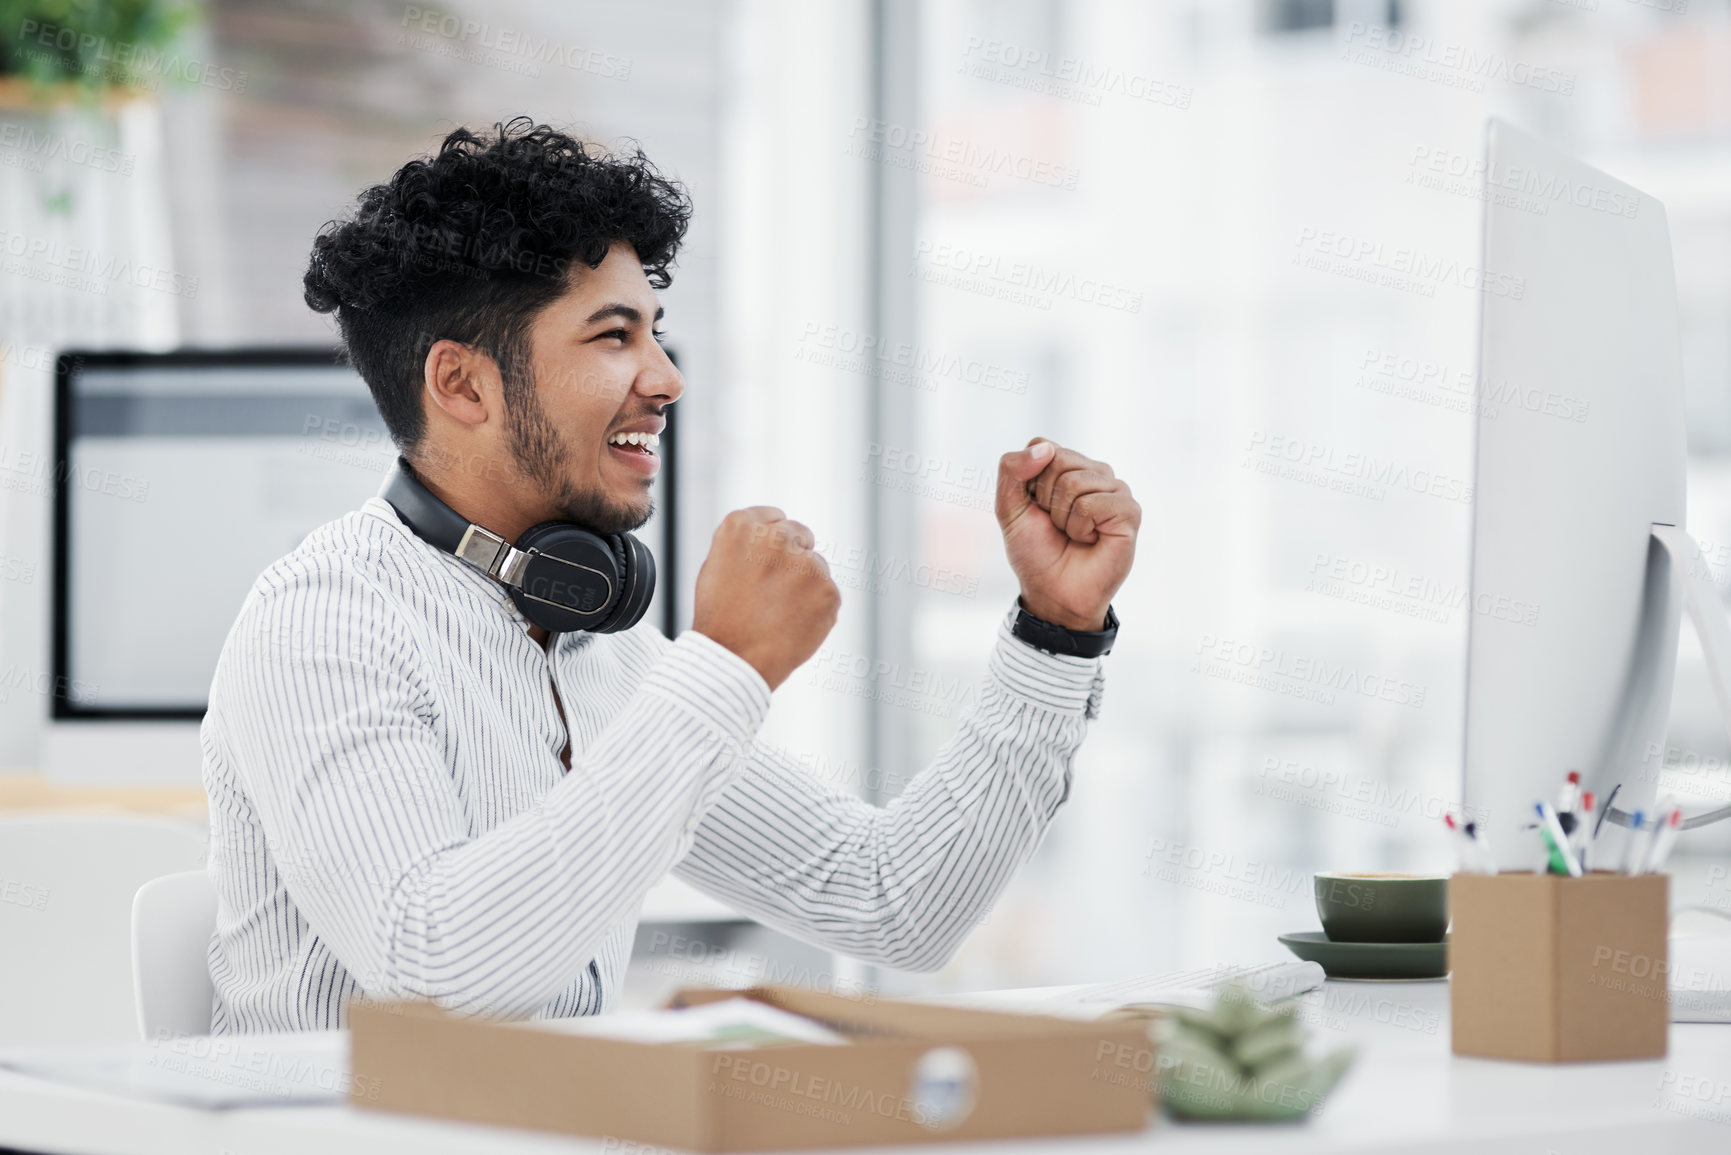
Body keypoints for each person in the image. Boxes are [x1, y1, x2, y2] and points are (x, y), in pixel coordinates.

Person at [201, 117, 1140, 1034]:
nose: (665, 378)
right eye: (614, 337)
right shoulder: (322, 622)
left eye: (655, 332)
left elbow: (894, 900)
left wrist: (1053, 631)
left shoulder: (600, 650)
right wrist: (725, 666)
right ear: (462, 386)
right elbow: (441, 978)